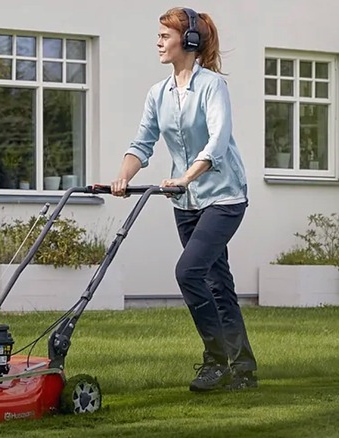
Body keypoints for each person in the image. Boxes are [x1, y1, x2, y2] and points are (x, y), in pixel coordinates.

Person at [110, 7, 257, 392]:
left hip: (224, 196)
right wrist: (123, 177)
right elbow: (142, 142)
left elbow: (218, 141)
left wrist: (185, 176)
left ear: (188, 41)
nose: (158, 42)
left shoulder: (212, 86)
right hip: (186, 202)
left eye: (164, 36)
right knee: (216, 283)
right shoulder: (157, 94)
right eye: (158, 35)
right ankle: (242, 368)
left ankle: (215, 360)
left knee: (188, 272)